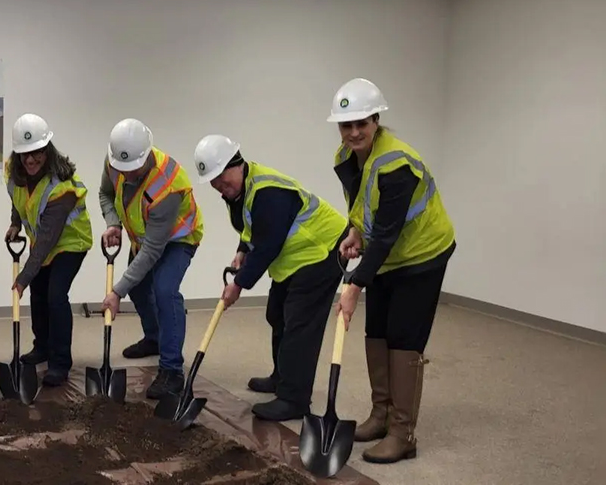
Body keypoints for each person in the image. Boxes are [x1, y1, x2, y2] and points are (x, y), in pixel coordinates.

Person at [327, 78, 456, 464]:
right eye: (346, 125)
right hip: (389, 254)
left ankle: (403, 432)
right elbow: (365, 209)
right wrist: (354, 232)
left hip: (421, 255)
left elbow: (386, 232)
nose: (353, 132)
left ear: (376, 120)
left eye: (361, 123)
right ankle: (380, 414)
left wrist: (353, 285)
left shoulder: (396, 163)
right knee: (377, 330)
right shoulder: (347, 157)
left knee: (403, 338)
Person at [192, 134, 348, 421]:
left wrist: (238, 284)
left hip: (322, 249)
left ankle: (294, 399)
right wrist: (241, 251)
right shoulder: (239, 192)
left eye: (223, 181)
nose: (221, 189)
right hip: (294, 258)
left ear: (237, 163)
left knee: (300, 323)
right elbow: (251, 229)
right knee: (277, 314)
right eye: (215, 184)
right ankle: (281, 377)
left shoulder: (268, 192)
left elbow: (268, 244)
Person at [99, 118, 203, 399]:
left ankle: (172, 370)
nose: (127, 175)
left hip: (178, 238)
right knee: (140, 289)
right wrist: (113, 224)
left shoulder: (169, 184)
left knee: (165, 290)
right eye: (123, 169)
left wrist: (116, 291)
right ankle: (155, 337)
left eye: (133, 170)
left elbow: (154, 250)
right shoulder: (115, 163)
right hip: (142, 237)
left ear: (146, 155)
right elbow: (106, 194)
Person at [4, 114, 92, 387]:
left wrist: (22, 278)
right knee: (38, 294)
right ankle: (41, 346)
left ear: (48, 150)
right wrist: (16, 222)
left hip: (70, 243)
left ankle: (60, 363)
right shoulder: (13, 170)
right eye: (24, 155)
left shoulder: (61, 187)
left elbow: (46, 241)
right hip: (41, 242)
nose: (30, 160)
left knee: (55, 295)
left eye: (37, 153)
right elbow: (18, 198)